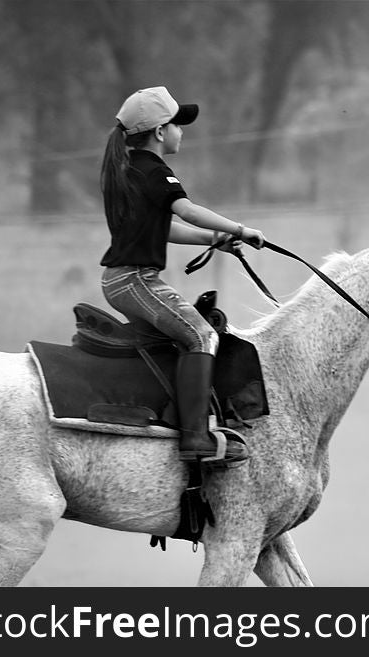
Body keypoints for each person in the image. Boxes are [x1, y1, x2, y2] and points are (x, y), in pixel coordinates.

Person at [99, 86, 265, 468]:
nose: (181, 132)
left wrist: (214, 240)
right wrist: (240, 229)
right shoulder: (155, 171)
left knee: (182, 341)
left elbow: (164, 229)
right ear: (160, 132)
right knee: (202, 335)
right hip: (136, 281)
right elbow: (186, 212)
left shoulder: (127, 169)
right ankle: (196, 438)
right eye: (177, 125)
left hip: (119, 281)